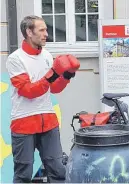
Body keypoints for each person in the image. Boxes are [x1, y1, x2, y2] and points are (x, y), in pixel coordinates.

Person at [6, 15, 80, 183]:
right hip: (24, 122)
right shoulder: (15, 59)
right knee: (23, 174)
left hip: (48, 120)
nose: (46, 34)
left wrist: (66, 76)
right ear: (29, 32)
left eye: (46, 29)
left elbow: (53, 88)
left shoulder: (46, 55)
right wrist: (53, 74)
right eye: (42, 30)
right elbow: (27, 91)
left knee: (58, 171)